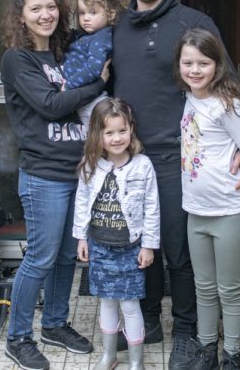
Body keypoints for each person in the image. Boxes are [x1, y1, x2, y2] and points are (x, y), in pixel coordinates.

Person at [112, 0, 240, 370]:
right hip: (130, 157)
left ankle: (188, 334)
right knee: (140, 241)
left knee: (178, 250)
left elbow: (227, 84)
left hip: (178, 158)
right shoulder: (117, 25)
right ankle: (150, 319)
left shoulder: (194, 23)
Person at [0, 0, 109, 370]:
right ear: (21, 16)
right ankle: (18, 337)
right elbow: (49, 104)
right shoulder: (18, 60)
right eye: (36, 8)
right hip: (43, 174)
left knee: (67, 256)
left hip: (77, 171)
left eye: (51, 6)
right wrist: (98, 83)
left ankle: (55, 324)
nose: (46, 15)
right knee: (41, 258)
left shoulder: (68, 52)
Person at [175, 28, 240, 369]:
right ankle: (207, 350)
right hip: (196, 211)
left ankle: (232, 355)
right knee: (203, 287)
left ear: (217, 65)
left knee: (229, 288)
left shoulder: (227, 105)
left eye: (203, 63)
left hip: (230, 211)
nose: (195, 70)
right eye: (188, 63)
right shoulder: (188, 96)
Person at [73, 97, 160, 370]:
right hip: (100, 246)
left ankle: (136, 362)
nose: (116, 138)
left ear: (131, 129)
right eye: (109, 132)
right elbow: (81, 203)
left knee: (131, 305)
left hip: (130, 247)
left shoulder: (143, 165)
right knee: (107, 303)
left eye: (122, 130)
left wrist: (148, 246)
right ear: (97, 134)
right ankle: (109, 357)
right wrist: (81, 237)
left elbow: (152, 208)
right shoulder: (90, 165)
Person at [62, 0, 127, 127]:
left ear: (110, 14)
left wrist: (68, 85)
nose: (86, 18)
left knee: (94, 143)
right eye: (82, 13)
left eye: (92, 12)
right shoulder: (85, 35)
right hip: (81, 100)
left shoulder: (101, 38)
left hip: (92, 103)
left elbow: (93, 68)